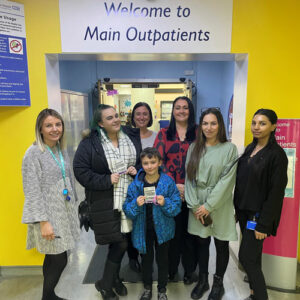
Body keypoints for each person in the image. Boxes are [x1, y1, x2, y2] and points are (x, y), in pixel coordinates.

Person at [73, 104, 142, 300]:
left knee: (121, 240)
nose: (115, 120)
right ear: (100, 123)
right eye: (110, 118)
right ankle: (104, 284)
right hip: (104, 201)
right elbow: (81, 171)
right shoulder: (90, 144)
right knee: (119, 243)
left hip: (129, 197)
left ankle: (113, 279)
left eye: (116, 116)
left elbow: (140, 160)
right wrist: (105, 180)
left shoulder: (130, 136)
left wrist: (135, 169)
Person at [22, 108, 80, 300]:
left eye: (58, 124)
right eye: (49, 125)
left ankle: (50, 295)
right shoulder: (33, 154)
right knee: (59, 257)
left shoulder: (58, 148)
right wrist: (43, 221)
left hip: (63, 209)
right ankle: (47, 297)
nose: (55, 129)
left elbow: (66, 178)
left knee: (54, 255)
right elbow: (31, 190)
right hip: (49, 213)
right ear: (40, 129)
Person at [234, 109, 288, 300]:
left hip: (257, 216)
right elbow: (242, 181)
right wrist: (235, 208)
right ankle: (253, 294)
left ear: (273, 126)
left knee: (247, 258)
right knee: (254, 258)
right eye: (254, 123)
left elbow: (276, 193)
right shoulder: (250, 148)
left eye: (262, 123)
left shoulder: (277, 155)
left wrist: (264, 223)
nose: (256, 127)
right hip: (243, 212)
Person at [185, 108, 238, 300]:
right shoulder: (194, 148)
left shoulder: (229, 149)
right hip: (197, 204)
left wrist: (208, 206)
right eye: (205, 123)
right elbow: (189, 179)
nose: (209, 127)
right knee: (201, 242)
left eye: (213, 123)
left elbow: (227, 181)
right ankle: (203, 280)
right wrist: (193, 205)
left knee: (221, 243)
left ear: (220, 125)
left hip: (219, 203)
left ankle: (218, 283)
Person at [123, 147, 181, 300]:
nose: (149, 166)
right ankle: (147, 287)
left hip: (163, 231)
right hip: (143, 231)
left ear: (159, 162)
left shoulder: (167, 182)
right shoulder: (136, 185)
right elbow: (127, 209)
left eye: (153, 162)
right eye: (146, 163)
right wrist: (135, 204)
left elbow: (176, 206)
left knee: (163, 261)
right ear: (141, 165)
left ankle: (162, 289)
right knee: (146, 261)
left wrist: (165, 202)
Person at [154, 96, 198, 284]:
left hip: (194, 191)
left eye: (185, 108)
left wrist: (187, 186)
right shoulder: (164, 133)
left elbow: (204, 159)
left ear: (190, 110)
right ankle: (171, 270)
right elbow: (157, 162)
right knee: (172, 234)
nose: (181, 111)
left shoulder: (198, 133)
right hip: (170, 193)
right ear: (172, 111)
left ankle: (189, 271)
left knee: (190, 235)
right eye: (178, 107)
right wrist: (176, 185)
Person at [126, 102, 157, 272]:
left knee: (149, 221)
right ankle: (133, 257)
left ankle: (148, 256)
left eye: (145, 114)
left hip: (152, 185)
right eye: (138, 114)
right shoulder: (126, 136)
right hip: (132, 185)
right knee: (133, 220)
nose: (141, 117)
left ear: (150, 116)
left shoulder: (156, 136)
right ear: (133, 117)